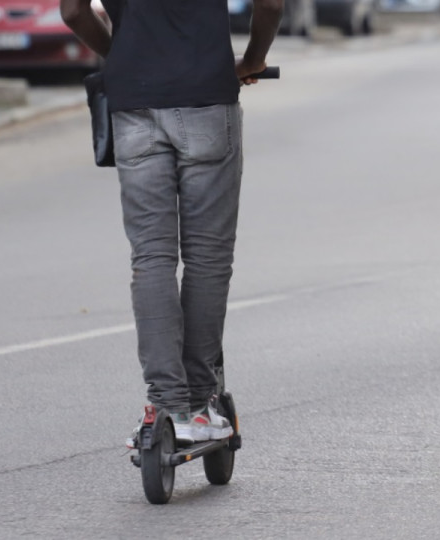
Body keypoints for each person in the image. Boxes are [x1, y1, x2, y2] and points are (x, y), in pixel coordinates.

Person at [61, 0, 284, 443]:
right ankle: (200, 404)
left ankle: (166, 405)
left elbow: (72, 12)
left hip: (133, 105)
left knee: (151, 256)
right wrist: (253, 58)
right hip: (206, 95)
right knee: (207, 259)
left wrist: (121, 51)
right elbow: (271, 4)